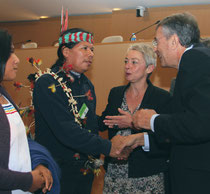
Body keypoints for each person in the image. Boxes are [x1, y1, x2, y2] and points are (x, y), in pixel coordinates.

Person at [33, 28, 130, 194]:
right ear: (66, 51)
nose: (90, 54)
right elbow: (66, 130)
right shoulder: (48, 83)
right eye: (84, 48)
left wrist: (111, 121)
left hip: (84, 171)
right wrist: (108, 147)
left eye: (92, 49)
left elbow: (87, 120)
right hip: (57, 172)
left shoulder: (85, 83)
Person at [131, 12, 210, 194]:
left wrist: (152, 120)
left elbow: (199, 123)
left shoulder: (194, 60)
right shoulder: (198, 59)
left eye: (157, 41)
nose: (155, 49)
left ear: (174, 41)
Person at [99, 43, 171, 193]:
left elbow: (166, 139)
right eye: (126, 61)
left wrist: (132, 122)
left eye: (134, 62)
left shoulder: (162, 98)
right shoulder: (115, 93)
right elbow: (103, 123)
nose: (127, 66)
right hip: (114, 174)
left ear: (149, 68)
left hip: (148, 175)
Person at [0, 29, 53, 194]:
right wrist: (28, 180)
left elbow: (20, 141)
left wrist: (38, 163)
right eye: (10, 53)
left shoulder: (4, 95)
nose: (16, 60)